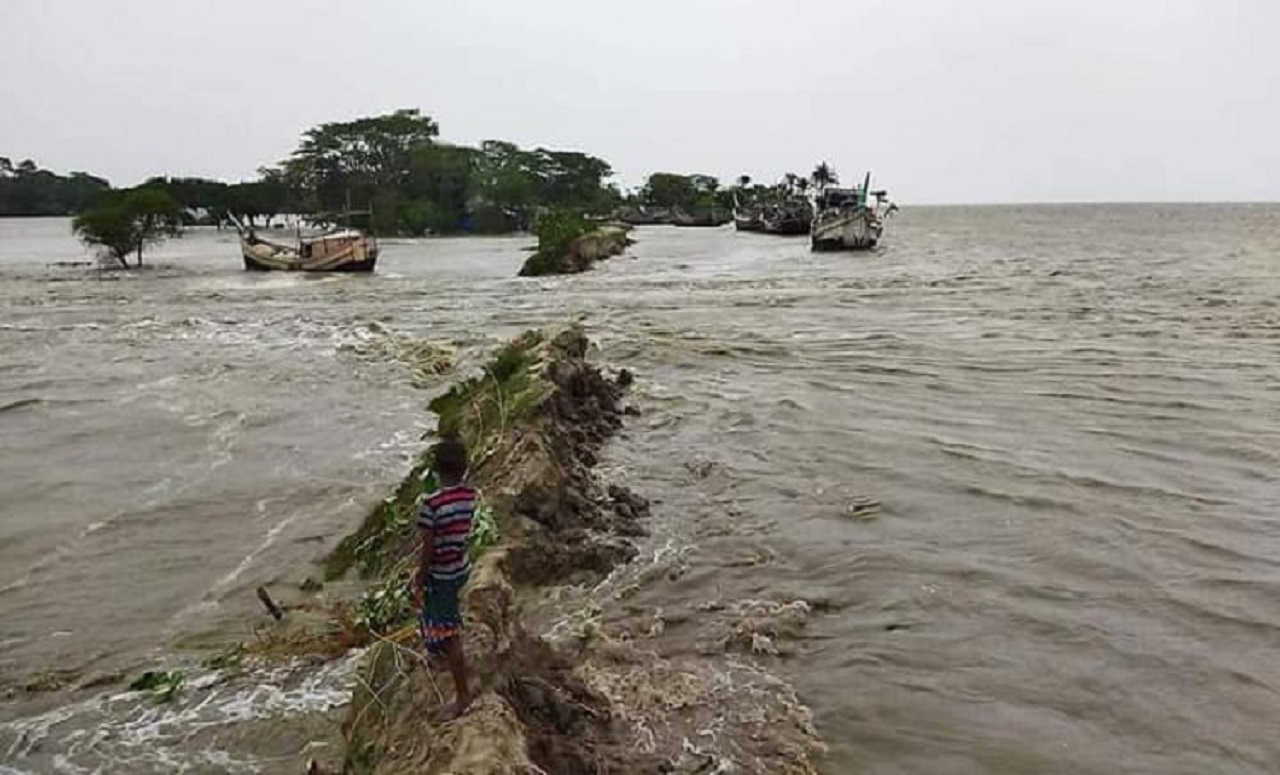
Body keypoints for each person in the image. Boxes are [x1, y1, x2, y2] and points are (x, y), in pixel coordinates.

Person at [414, 437, 475, 717]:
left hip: (441, 574)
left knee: (448, 633)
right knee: (439, 617)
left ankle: (462, 697)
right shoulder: (468, 497)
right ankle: (439, 650)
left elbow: (428, 548)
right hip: (460, 568)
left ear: (436, 469)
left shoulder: (432, 505)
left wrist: (419, 580)